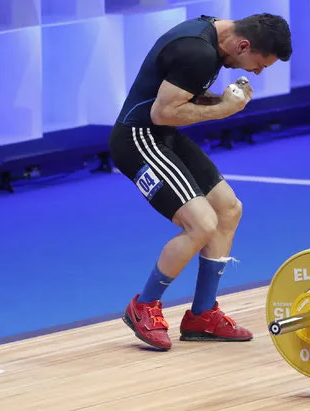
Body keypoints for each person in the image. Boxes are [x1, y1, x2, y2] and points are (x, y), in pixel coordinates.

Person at [108, 13, 292, 351]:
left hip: (162, 136)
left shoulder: (217, 36)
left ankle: (203, 315)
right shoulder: (198, 52)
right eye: (259, 64)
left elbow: (182, 98)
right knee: (202, 224)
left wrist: (220, 99)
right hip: (138, 139)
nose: (256, 72)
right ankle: (143, 306)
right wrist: (224, 109)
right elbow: (161, 113)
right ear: (243, 44)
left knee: (228, 209)